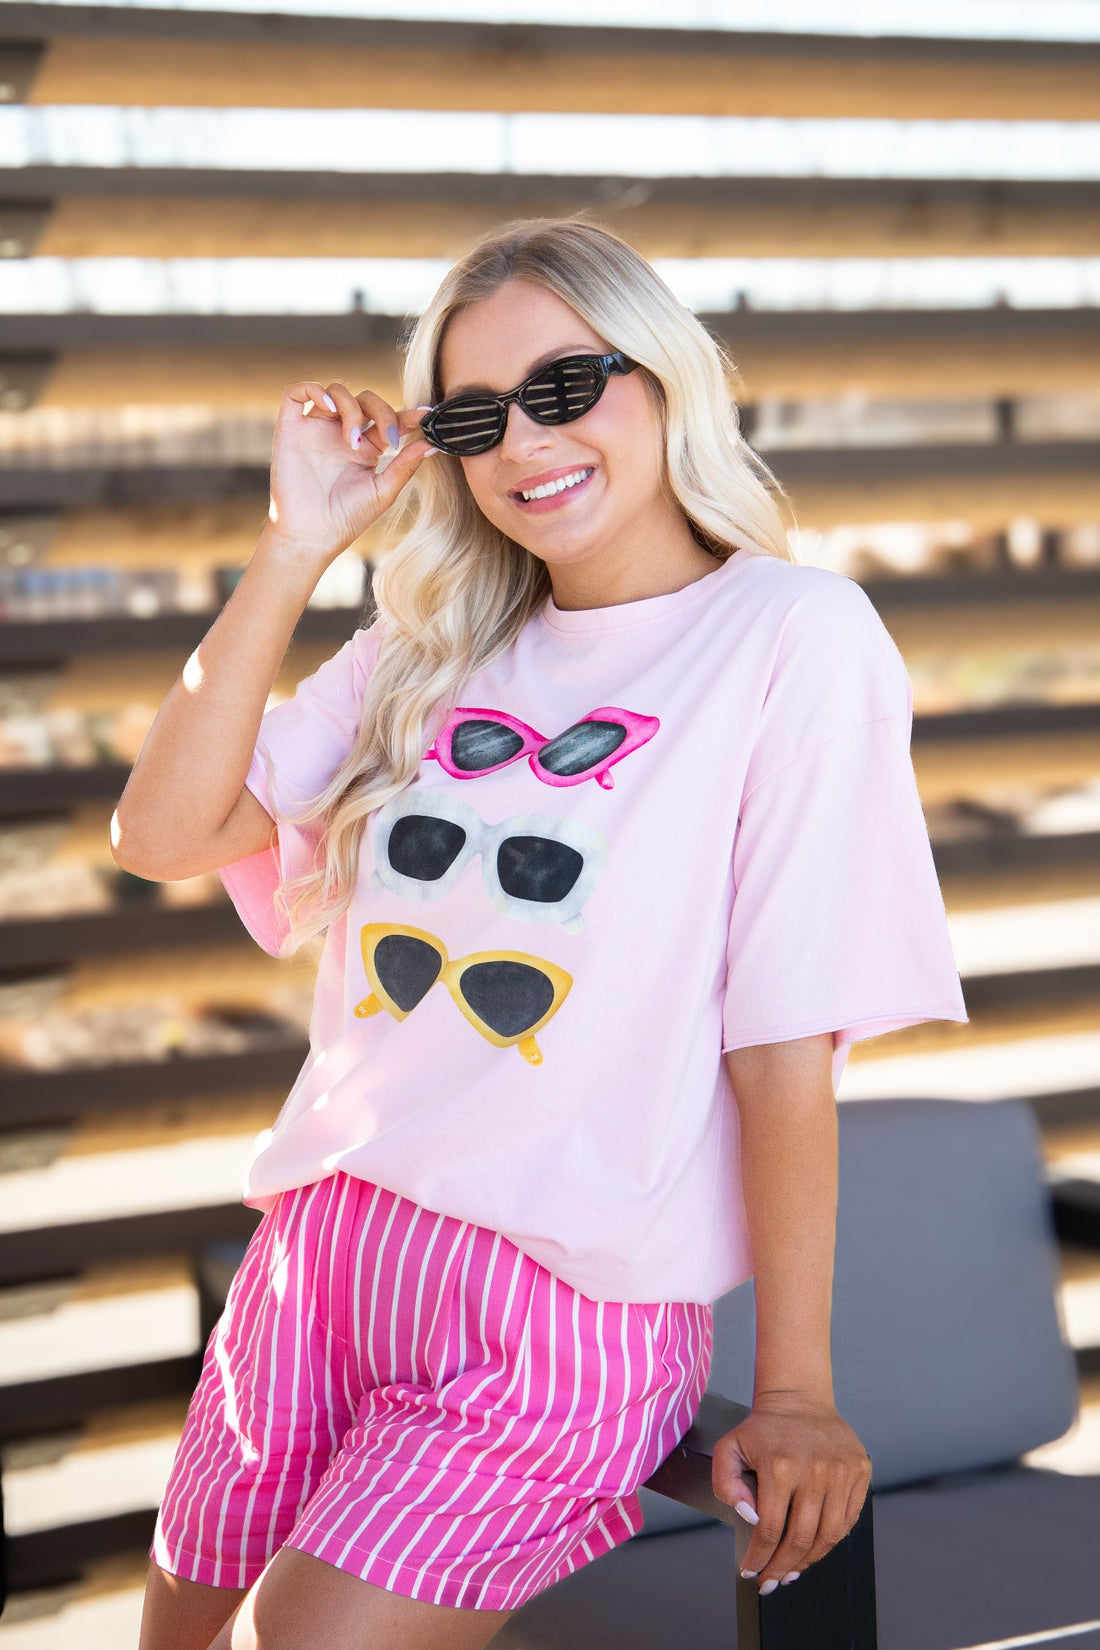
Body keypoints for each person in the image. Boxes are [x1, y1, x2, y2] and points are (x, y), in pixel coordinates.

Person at [117, 217, 968, 1650]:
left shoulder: (795, 637)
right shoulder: (427, 647)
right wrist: (297, 542)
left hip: (559, 1314)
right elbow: (162, 833)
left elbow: (784, 1031)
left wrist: (797, 1390)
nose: (523, 442)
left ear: (665, 377)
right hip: (319, 1265)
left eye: (565, 387)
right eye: (473, 417)